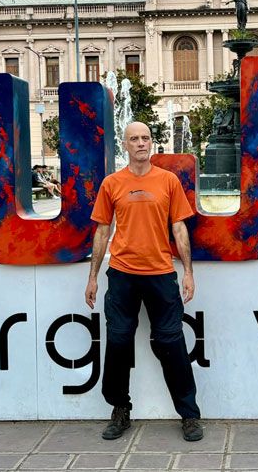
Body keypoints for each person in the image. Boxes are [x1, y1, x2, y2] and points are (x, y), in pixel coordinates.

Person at [85, 121, 202, 442]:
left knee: (171, 343)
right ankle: (120, 410)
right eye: (134, 139)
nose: (141, 143)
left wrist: (188, 272)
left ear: (152, 144)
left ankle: (189, 415)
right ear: (124, 145)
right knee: (119, 342)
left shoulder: (168, 181)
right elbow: (102, 231)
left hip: (162, 273)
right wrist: (93, 277)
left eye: (146, 138)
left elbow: (179, 229)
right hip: (122, 274)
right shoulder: (112, 183)